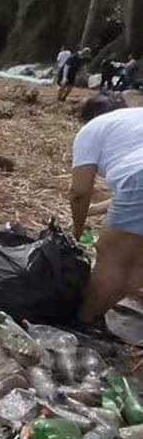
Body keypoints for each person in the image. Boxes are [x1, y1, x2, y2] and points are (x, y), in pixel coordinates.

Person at [70, 104, 143, 324]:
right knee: (139, 261)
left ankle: (82, 322)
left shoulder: (91, 129)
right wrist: (91, 211)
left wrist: (77, 229)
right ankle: (100, 311)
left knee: (111, 258)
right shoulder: (132, 120)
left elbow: (79, 192)